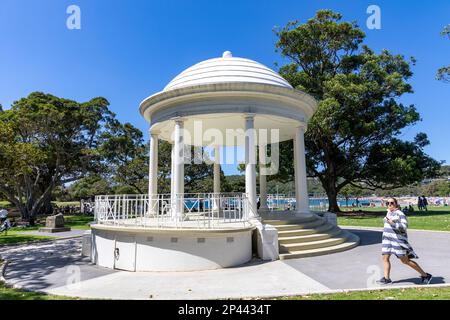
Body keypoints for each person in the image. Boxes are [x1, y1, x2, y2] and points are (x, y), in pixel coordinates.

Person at [377, 198, 432, 285]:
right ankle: (386, 278)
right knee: (385, 258)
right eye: (388, 203)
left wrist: (393, 223)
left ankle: (425, 275)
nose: (389, 204)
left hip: (397, 241)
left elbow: (404, 226)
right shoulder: (389, 212)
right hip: (387, 240)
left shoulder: (400, 213)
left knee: (405, 261)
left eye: (392, 203)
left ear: (396, 204)